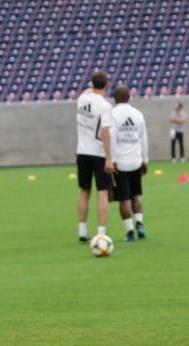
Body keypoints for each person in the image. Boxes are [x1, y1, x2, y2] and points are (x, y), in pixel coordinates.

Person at [74, 70, 114, 243]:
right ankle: (101, 233)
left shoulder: (82, 98)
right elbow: (105, 133)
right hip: (97, 153)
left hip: (82, 151)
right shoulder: (105, 106)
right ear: (107, 84)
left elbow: (87, 91)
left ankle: (82, 231)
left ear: (92, 83)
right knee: (102, 193)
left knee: (84, 191)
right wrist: (109, 158)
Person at [109, 86, 149, 242]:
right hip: (136, 161)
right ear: (129, 97)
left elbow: (111, 138)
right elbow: (144, 139)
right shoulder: (138, 114)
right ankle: (140, 223)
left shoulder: (112, 115)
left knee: (124, 199)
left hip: (121, 163)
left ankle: (130, 231)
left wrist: (112, 160)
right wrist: (145, 160)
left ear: (115, 98)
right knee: (136, 195)